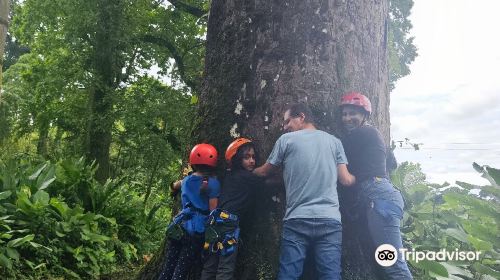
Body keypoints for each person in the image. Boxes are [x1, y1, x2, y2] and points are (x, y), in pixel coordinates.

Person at [253, 103, 356, 280]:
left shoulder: (286, 140)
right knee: (330, 275)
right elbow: (346, 180)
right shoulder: (334, 142)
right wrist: (364, 176)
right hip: (329, 219)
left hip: (297, 219)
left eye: (287, 122)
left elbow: (264, 171)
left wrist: (245, 174)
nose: (285, 128)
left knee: (288, 275)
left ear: (301, 117)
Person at [338, 92, 412, 279]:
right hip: (381, 196)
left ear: (365, 115)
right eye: (344, 114)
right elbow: (392, 163)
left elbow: (334, 148)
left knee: (393, 264)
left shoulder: (363, 133)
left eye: (353, 113)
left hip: (379, 198)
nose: (347, 118)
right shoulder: (373, 135)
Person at [201, 138, 261, 280]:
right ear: (236, 159)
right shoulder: (246, 177)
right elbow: (265, 178)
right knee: (225, 266)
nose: (252, 161)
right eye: (246, 157)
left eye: (253, 157)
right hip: (229, 224)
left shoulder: (228, 174)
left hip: (214, 222)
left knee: (210, 264)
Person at [158, 143, 221, 280]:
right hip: (196, 231)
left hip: (179, 225)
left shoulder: (186, 180)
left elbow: (174, 186)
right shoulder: (213, 184)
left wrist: (173, 188)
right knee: (181, 269)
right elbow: (213, 212)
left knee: (168, 265)